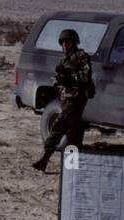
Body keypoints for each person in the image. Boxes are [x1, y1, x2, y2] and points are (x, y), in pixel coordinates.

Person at [32, 29, 94, 172]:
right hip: (66, 98)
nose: (64, 44)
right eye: (62, 42)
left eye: (67, 41)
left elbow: (86, 76)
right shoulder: (65, 58)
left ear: (74, 42)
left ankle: (45, 158)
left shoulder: (81, 56)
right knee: (73, 132)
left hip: (76, 99)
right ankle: (73, 166)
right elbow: (61, 80)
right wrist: (59, 80)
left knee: (58, 126)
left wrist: (69, 76)